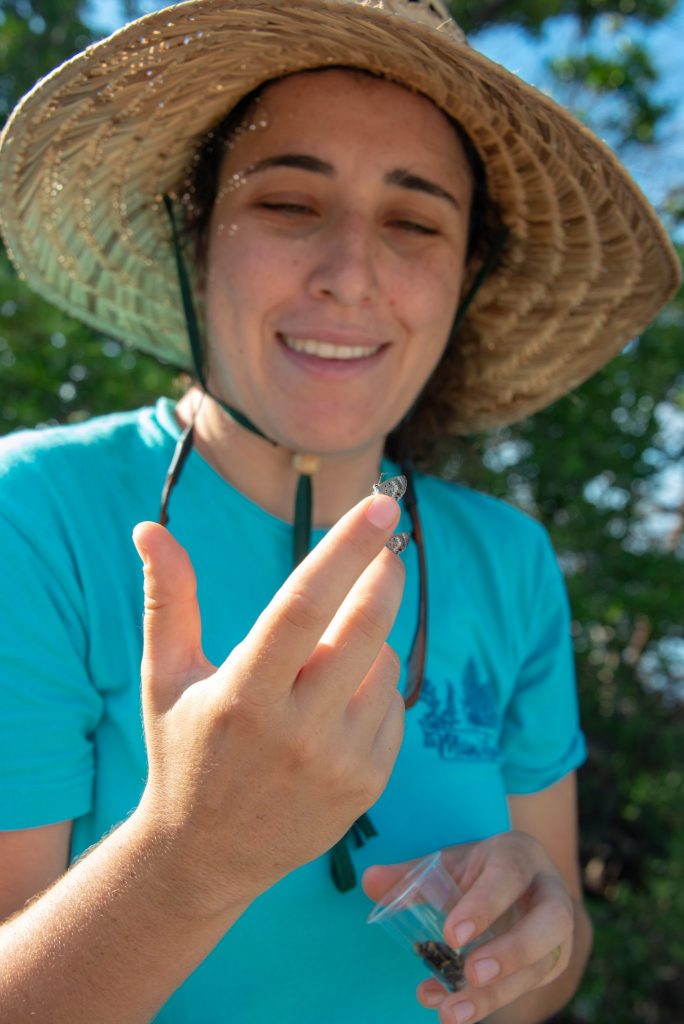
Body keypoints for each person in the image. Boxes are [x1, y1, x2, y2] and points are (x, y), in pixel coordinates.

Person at [0, 1, 679, 1023]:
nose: (351, 273)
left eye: (414, 223)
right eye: (287, 204)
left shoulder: (509, 560)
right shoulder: (34, 515)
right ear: (196, 238)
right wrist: (190, 853)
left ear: (464, 281)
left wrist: (538, 935)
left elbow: (555, 966)